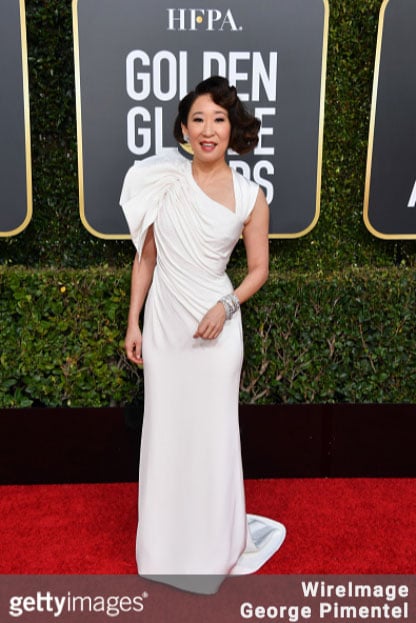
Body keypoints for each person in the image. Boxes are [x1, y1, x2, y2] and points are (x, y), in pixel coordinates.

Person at [120, 76, 285, 592]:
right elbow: (146, 259)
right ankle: (165, 548)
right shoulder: (163, 181)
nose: (208, 130)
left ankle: (213, 547)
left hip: (217, 330)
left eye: (218, 119)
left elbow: (258, 269)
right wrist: (134, 320)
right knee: (166, 433)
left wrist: (227, 303)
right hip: (167, 328)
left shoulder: (250, 196)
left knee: (212, 438)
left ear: (231, 128)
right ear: (184, 129)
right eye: (198, 119)